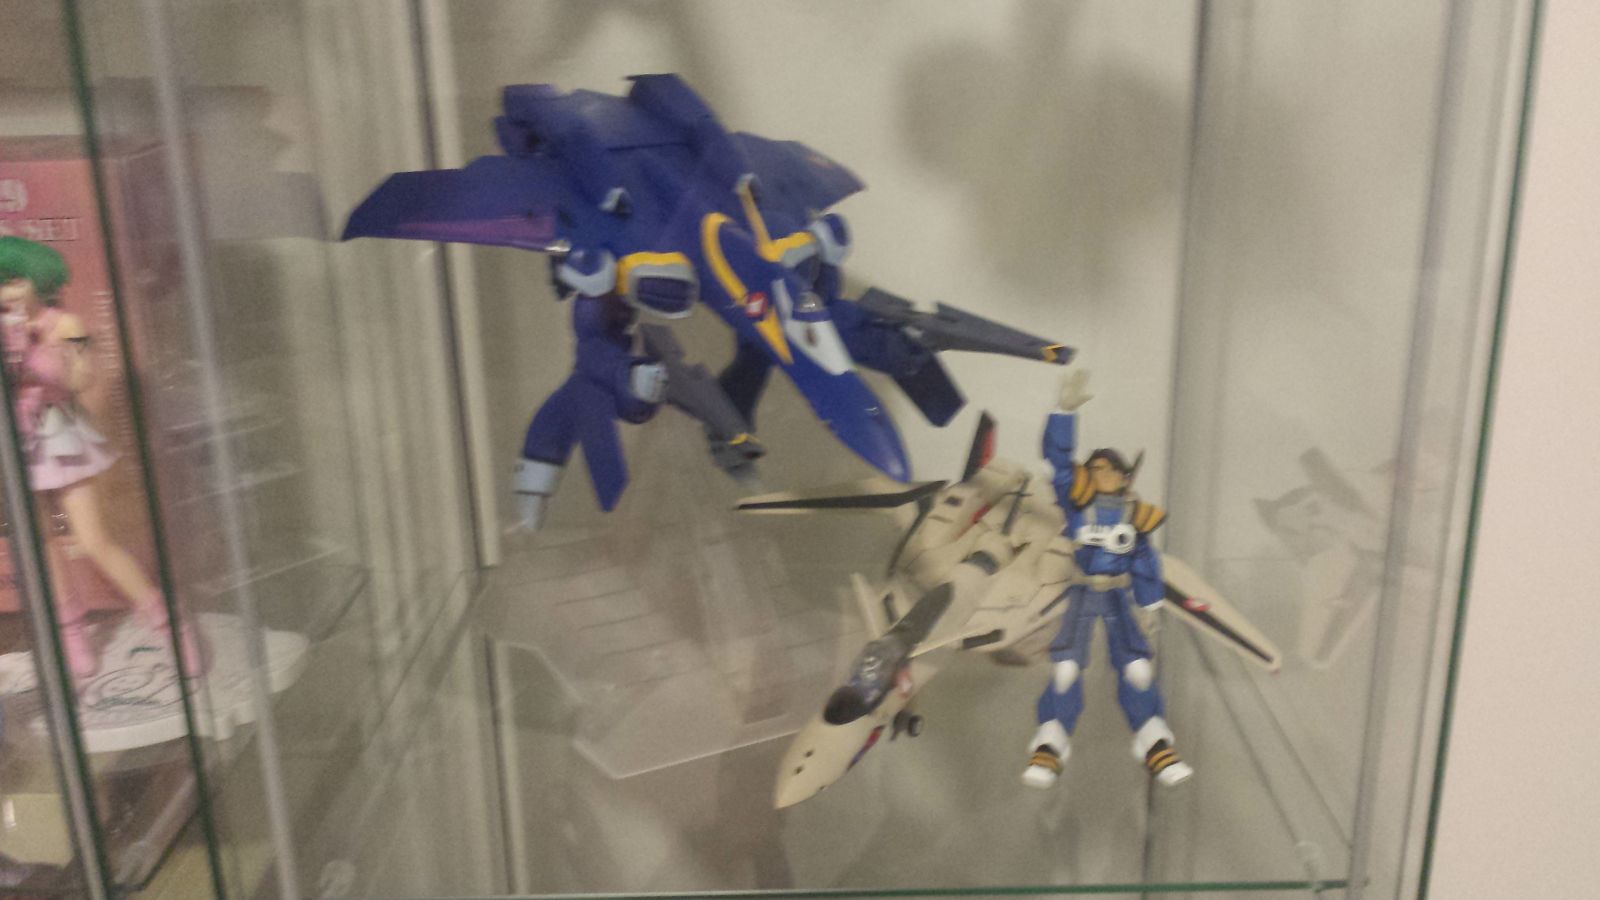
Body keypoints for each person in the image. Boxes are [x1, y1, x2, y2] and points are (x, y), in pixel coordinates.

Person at [0, 236, 205, 679]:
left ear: (37, 278)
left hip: (58, 436)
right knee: (43, 542)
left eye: (14, 280)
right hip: (15, 444)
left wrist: (36, 356)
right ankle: (70, 632)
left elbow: (82, 378)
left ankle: (168, 624)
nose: (7, 292)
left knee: (93, 539)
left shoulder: (64, 322)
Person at [1022, 369, 1193, 790]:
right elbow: (1058, 463)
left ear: (1124, 476)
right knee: (1065, 671)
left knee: (1138, 671)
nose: (1099, 474)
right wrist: (1063, 413)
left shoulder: (1136, 514)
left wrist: (1150, 604)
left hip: (1117, 595)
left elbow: (1145, 560)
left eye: (1107, 469)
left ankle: (1153, 740)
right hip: (1081, 593)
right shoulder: (1077, 504)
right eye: (1094, 468)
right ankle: (1051, 742)